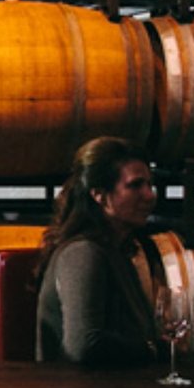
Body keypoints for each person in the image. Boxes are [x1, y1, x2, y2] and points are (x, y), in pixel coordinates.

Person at [34, 136, 160, 367]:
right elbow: (84, 345)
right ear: (99, 195)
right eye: (135, 185)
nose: (150, 195)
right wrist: (153, 348)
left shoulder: (116, 251)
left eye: (150, 185)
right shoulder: (82, 253)